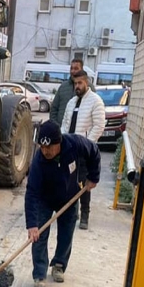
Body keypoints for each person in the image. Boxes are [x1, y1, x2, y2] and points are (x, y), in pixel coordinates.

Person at [25, 120, 101, 287]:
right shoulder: (39, 160)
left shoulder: (75, 144)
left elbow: (94, 152)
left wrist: (93, 177)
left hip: (70, 197)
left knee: (66, 233)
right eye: (42, 148)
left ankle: (59, 265)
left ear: (58, 143)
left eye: (49, 147)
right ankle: (39, 274)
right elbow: (31, 193)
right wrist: (32, 224)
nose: (45, 151)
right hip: (45, 200)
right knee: (39, 236)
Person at [59, 70, 105, 230]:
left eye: (80, 83)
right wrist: (63, 141)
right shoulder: (71, 102)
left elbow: (99, 125)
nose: (77, 86)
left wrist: (87, 144)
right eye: (75, 83)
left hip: (85, 151)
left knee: (85, 184)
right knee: (69, 181)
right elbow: (65, 123)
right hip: (69, 149)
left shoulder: (95, 101)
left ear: (87, 82)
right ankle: (73, 211)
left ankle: (85, 214)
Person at [49, 59, 95, 126]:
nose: (73, 71)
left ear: (81, 70)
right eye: (71, 68)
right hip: (62, 131)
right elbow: (54, 109)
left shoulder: (89, 88)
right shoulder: (63, 87)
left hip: (80, 131)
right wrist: (56, 126)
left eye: (76, 68)